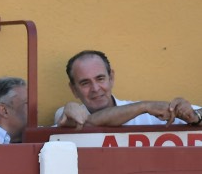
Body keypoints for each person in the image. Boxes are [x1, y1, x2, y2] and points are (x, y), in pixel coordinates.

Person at [54, 50, 202, 128]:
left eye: (100, 79)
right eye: (85, 83)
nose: (95, 88)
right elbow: (87, 122)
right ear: (73, 90)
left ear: (111, 78)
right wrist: (144, 106)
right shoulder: (66, 115)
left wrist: (193, 116)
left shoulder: (149, 114)